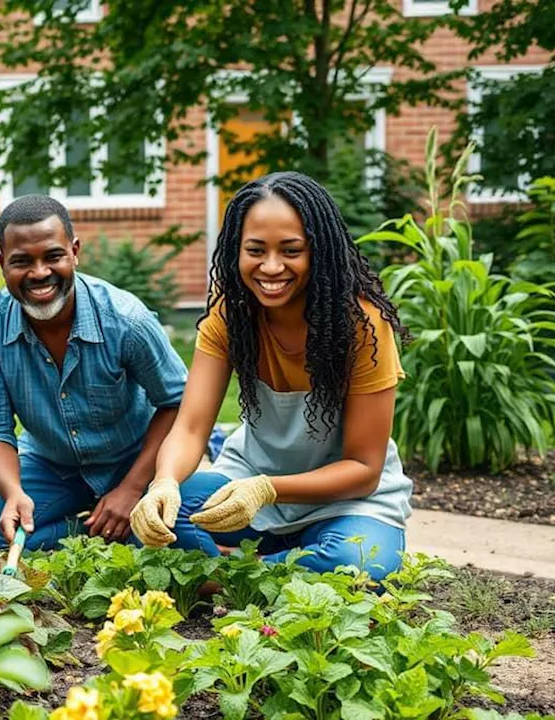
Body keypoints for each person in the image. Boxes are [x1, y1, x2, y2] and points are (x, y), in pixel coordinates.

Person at [130, 172, 413, 581]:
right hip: (246, 486)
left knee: (360, 565)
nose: (272, 266)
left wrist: (269, 488)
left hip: (346, 501)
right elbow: (191, 428)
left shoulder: (361, 326)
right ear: (236, 251)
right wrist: (164, 482)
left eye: (291, 250)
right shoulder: (230, 316)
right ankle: (272, 568)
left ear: (319, 251)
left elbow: (364, 468)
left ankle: (232, 574)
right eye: (255, 250)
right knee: (162, 521)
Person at [0, 194, 188, 550]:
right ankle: (87, 532)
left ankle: (100, 528)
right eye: (21, 261)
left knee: (169, 536)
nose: (39, 273)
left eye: (53, 256)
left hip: (133, 460)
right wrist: (13, 491)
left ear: (74, 251)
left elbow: (180, 404)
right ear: (2, 262)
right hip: (49, 464)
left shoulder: (126, 319)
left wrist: (131, 489)